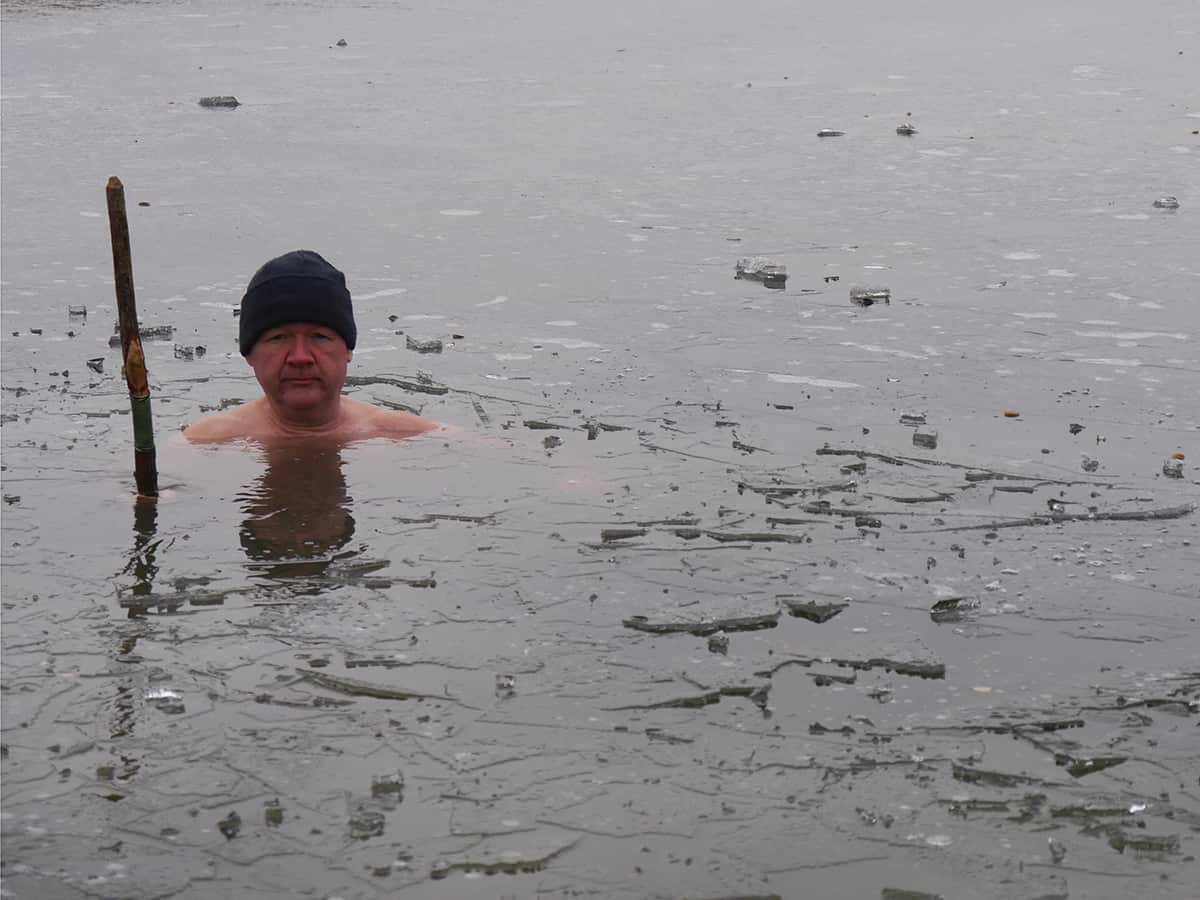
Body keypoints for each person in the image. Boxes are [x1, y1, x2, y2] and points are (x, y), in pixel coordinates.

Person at [184, 250, 440, 442]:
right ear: (249, 353)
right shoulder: (204, 446)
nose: (300, 357)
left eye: (319, 337)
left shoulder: (416, 440)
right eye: (278, 338)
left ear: (348, 349)